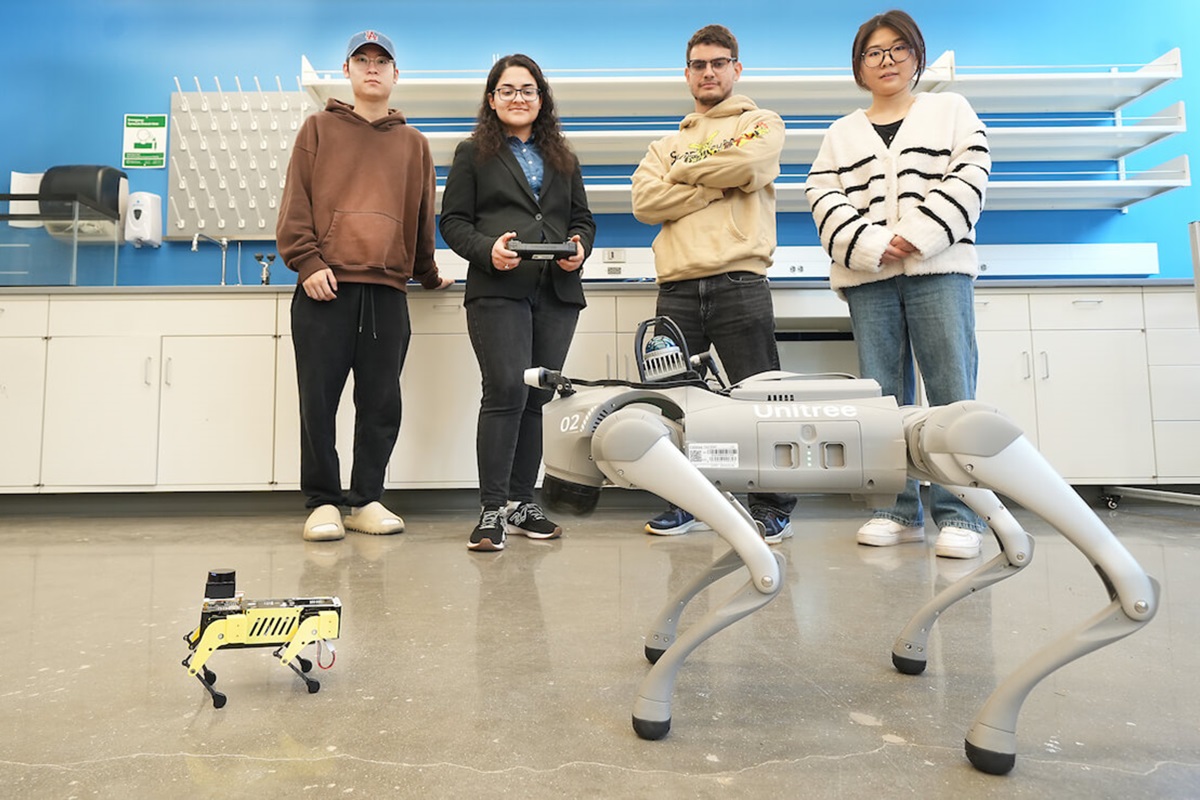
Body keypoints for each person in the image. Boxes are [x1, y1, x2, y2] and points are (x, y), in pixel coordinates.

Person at [805, 10, 991, 559]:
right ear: (858, 66)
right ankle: (895, 509)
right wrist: (869, 245)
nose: (886, 61)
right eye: (873, 53)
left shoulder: (950, 110)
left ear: (917, 56)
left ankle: (963, 515)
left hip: (939, 270)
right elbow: (820, 193)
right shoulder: (841, 132)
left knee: (951, 393)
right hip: (870, 280)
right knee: (882, 399)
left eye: (897, 50)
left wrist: (916, 236)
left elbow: (972, 170)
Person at [277, 29, 453, 542]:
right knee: (319, 401)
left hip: (387, 291)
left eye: (382, 61)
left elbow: (422, 219)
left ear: (396, 74)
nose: (372, 67)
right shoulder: (317, 129)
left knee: (380, 404)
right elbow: (296, 204)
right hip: (323, 287)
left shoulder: (414, 144)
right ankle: (323, 501)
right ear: (348, 71)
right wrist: (307, 262)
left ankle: (365, 499)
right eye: (362, 60)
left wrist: (427, 273)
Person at [630, 24, 796, 544]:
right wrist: (715, 188)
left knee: (759, 400)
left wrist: (684, 177)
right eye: (699, 65)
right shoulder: (665, 143)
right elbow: (643, 203)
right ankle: (687, 503)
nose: (709, 72)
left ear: (735, 69)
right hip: (676, 288)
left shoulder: (760, 123)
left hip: (740, 281)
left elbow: (750, 160)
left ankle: (771, 509)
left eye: (718, 63)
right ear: (687, 74)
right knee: (674, 404)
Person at [440, 54, 595, 552]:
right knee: (506, 390)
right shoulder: (472, 154)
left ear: (541, 98)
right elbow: (453, 222)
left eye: (528, 90)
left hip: (557, 291)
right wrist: (488, 249)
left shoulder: (563, 156)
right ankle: (491, 510)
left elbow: (583, 220)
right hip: (498, 290)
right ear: (491, 99)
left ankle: (524, 503)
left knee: (537, 398)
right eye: (507, 90)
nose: (518, 98)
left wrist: (579, 249)